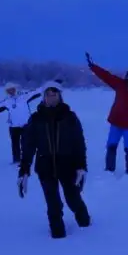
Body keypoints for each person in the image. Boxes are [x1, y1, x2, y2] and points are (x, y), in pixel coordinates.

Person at [17, 81, 90, 238]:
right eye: (48, 95)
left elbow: (79, 142)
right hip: (45, 166)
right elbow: (28, 145)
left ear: (60, 96)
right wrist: (24, 169)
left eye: (54, 94)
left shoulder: (70, 117)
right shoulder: (36, 119)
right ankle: (57, 233)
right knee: (53, 202)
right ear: (43, 97)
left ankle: (85, 223)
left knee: (73, 198)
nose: (51, 98)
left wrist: (81, 166)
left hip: (68, 165)